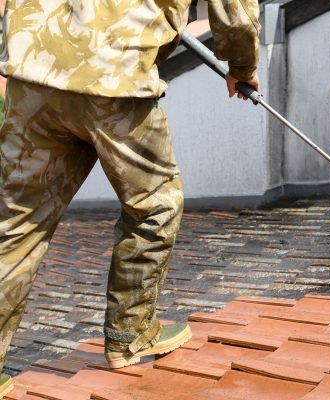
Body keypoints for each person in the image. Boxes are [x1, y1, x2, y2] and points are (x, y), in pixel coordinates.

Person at [0, 0, 261, 396]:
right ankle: (130, 333)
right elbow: (236, 12)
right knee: (156, 204)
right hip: (113, 74)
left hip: (34, 65)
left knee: (15, 223)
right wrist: (242, 67)